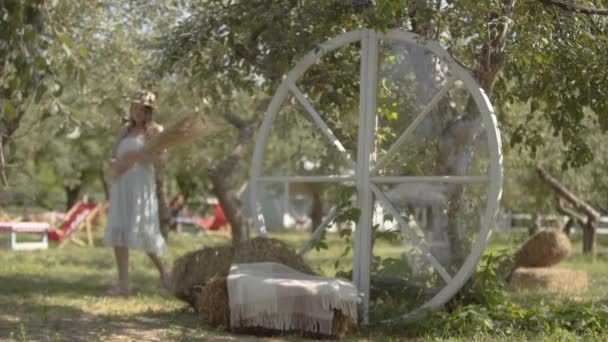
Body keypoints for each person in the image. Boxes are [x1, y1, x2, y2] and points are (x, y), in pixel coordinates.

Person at [104, 90, 171, 296]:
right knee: (119, 229)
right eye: (135, 108)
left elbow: (161, 162)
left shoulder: (156, 130)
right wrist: (116, 164)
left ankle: (165, 274)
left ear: (149, 111)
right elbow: (115, 156)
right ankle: (124, 284)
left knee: (144, 229)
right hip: (122, 183)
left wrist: (139, 155)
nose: (138, 112)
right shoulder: (124, 130)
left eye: (143, 109)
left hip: (142, 185)